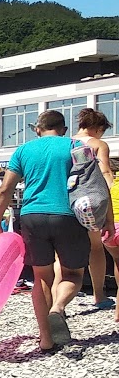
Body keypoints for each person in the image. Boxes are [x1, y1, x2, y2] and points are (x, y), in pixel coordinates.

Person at [0, 110, 87, 350]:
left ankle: (45, 340)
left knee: (41, 278)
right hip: (67, 215)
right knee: (73, 274)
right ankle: (58, 308)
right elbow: (94, 185)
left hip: (32, 217)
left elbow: (4, 190)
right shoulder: (76, 145)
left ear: (37, 129)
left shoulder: (23, 150)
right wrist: (105, 220)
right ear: (63, 129)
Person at [72, 109, 115, 309]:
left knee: (61, 253)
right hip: (90, 202)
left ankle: (58, 300)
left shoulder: (65, 143)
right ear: (97, 129)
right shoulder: (98, 145)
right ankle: (99, 295)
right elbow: (105, 172)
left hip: (67, 201)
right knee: (95, 248)